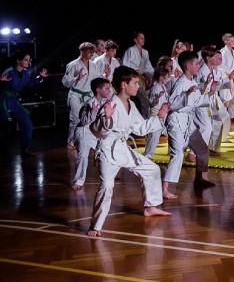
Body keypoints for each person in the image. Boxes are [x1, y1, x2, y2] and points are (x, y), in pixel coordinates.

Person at [87, 66, 171, 237]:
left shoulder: (130, 105)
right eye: (135, 83)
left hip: (122, 148)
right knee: (107, 186)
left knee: (152, 169)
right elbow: (96, 131)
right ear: (124, 85)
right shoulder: (110, 105)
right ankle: (95, 226)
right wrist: (106, 118)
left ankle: (150, 206)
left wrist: (159, 116)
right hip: (108, 150)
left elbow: (140, 128)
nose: (138, 86)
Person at [162, 50, 216, 199]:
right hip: (177, 121)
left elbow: (198, 102)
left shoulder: (192, 82)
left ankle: (199, 178)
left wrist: (210, 92)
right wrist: (185, 95)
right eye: (197, 63)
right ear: (187, 66)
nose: (199, 66)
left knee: (202, 149)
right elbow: (171, 104)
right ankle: (164, 188)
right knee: (178, 154)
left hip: (188, 122)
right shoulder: (181, 84)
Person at [0, 51, 48, 157]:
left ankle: (24, 149)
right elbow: (2, 84)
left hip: (15, 103)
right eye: (25, 60)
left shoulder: (26, 73)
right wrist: (2, 83)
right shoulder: (9, 71)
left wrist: (41, 78)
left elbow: (31, 86)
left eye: (29, 60)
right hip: (3, 102)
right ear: (18, 61)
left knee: (27, 125)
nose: (28, 62)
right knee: (4, 129)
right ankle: (3, 154)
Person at [72, 78, 113, 190]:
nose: (109, 90)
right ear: (98, 90)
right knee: (83, 156)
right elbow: (84, 121)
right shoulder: (89, 103)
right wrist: (93, 112)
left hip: (95, 132)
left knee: (105, 152)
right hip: (84, 132)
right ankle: (78, 181)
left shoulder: (105, 102)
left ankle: (109, 174)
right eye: (107, 88)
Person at [61, 42, 99, 151]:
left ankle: (87, 140)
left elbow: (97, 78)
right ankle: (70, 141)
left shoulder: (93, 65)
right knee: (75, 119)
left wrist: (105, 75)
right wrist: (76, 79)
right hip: (75, 94)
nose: (91, 54)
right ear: (82, 51)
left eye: (92, 52)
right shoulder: (73, 65)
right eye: (89, 51)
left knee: (91, 118)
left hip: (88, 95)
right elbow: (65, 82)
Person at [121, 31, 155, 116]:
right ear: (135, 40)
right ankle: (144, 117)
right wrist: (133, 70)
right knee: (143, 98)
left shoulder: (145, 52)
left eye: (144, 38)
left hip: (141, 78)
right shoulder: (130, 50)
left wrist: (155, 75)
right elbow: (124, 65)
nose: (143, 39)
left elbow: (148, 67)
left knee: (147, 97)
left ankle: (147, 115)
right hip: (131, 77)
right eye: (141, 38)